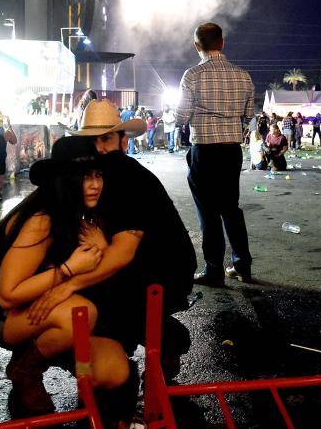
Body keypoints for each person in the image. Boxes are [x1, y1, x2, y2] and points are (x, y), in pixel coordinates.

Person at [31, 99, 196, 384]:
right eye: (93, 141)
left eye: (106, 139)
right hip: (137, 263)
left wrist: (68, 284)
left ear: (123, 141)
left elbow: (122, 254)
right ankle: (124, 346)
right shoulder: (100, 174)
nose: (100, 148)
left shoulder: (127, 176)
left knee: (88, 298)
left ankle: (163, 340)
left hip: (164, 272)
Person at [0, 135, 131, 417]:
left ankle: (48, 347)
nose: (95, 184)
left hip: (51, 310)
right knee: (81, 313)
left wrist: (103, 249)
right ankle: (25, 371)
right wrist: (69, 269)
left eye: (98, 175)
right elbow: (7, 295)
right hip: (2, 316)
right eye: (85, 176)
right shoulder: (41, 220)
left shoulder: (84, 213)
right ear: (66, 179)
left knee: (114, 372)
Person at [177, 22, 255, 287]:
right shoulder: (243, 75)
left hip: (204, 150)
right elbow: (248, 114)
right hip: (231, 150)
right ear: (222, 43)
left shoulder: (192, 75)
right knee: (231, 208)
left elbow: (182, 116)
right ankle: (242, 265)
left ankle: (214, 271)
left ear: (196, 46)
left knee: (208, 213)